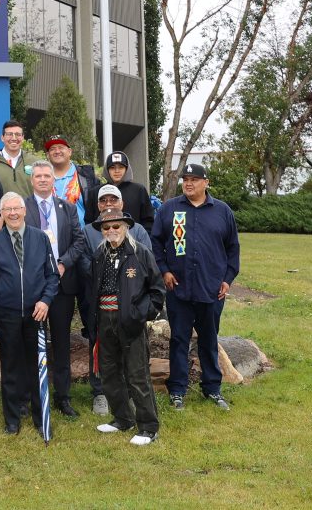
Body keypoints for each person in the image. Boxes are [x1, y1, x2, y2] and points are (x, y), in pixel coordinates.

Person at [151, 163, 241, 411]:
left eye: (194, 179)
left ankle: (212, 388)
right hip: (179, 289)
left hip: (212, 290)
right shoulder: (170, 209)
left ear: (206, 183)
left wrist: (227, 279)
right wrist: (164, 270)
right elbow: (156, 242)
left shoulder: (222, 211)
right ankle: (177, 390)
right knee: (179, 340)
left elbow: (233, 248)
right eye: (185, 179)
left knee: (209, 340)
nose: (189, 183)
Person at [0, 193, 59, 436]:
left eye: (16, 208)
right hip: (7, 314)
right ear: (1, 213)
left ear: (24, 211)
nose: (13, 213)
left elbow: (52, 276)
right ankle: (12, 420)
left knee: (37, 367)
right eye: (7, 209)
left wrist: (45, 301)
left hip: (36, 313)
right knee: (10, 368)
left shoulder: (40, 238)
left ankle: (40, 418)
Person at [90, 206, 165, 445]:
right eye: (106, 227)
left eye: (116, 226)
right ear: (102, 231)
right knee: (109, 372)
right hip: (105, 319)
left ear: (125, 227)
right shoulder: (99, 255)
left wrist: (140, 314)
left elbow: (157, 290)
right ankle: (122, 419)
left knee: (137, 374)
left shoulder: (140, 253)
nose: (111, 230)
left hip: (130, 322)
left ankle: (148, 427)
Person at [23, 160, 87, 418]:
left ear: (53, 180)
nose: (42, 179)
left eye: (46, 176)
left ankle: (63, 397)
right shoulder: (22, 207)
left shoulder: (67, 208)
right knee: (31, 342)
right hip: (32, 286)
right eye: (37, 176)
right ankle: (32, 396)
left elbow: (79, 241)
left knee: (61, 342)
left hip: (62, 284)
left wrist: (63, 264)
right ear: (32, 180)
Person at [80, 184, 151, 416]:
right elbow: (87, 268)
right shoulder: (92, 240)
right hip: (102, 311)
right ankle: (112, 406)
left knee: (135, 364)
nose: (111, 229)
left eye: (113, 199)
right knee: (106, 362)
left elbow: (152, 279)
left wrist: (142, 311)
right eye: (104, 200)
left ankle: (141, 412)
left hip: (130, 313)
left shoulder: (138, 236)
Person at [43, 135, 100, 225]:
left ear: (69, 152)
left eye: (61, 147)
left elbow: (97, 207)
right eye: (52, 149)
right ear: (47, 155)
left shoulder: (85, 176)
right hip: (50, 232)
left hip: (82, 232)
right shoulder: (42, 178)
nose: (57, 151)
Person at [96, 151, 155, 230]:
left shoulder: (139, 190)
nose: (117, 171)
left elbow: (148, 220)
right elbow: (90, 221)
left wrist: (140, 236)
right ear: (107, 169)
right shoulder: (96, 192)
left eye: (121, 167)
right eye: (112, 167)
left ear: (127, 169)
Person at [0, 119, 34, 203]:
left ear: (23, 138)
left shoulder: (34, 162)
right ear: (2, 138)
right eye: (9, 134)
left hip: (29, 211)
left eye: (18, 134)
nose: (14, 138)